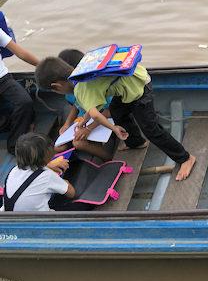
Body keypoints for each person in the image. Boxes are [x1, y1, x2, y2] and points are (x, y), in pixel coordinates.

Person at [34, 56, 196, 180]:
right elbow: (93, 107)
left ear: (56, 86)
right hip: (128, 85)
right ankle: (136, 142)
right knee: (117, 111)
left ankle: (185, 158)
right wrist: (84, 122)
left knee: (151, 129)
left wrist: (114, 129)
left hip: (138, 87)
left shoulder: (80, 89)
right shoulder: (79, 74)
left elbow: (96, 114)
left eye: (55, 91)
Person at [54, 49, 113, 161]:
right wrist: (67, 124)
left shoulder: (96, 87)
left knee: (79, 144)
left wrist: (88, 129)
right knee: (58, 147)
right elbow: (75, 106)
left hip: (102, 122)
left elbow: (108, 112)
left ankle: (108, 158)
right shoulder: (71, 90)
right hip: (82, 121)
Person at [1, 133, 75, 212]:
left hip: (8, 217)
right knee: (76, 205)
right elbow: (71, 193)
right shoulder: (48, 175)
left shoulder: (14, 170)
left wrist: (48, 166)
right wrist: (64, 182)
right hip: (37, 220)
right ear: (46, 155)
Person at [0, 25, 39, 154]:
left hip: (3, 78)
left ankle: (14, 145)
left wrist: (43, 65)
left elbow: (21, 53)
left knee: (25, 102)